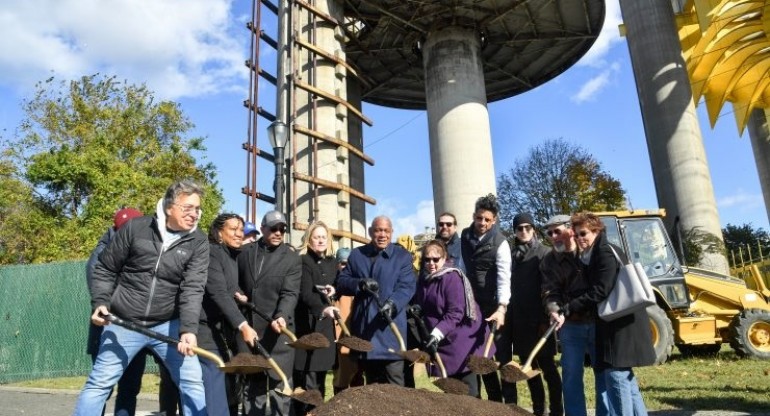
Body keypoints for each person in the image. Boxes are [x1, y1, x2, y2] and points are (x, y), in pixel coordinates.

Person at [74, 180, 209, 416]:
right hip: (124, 321)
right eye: (188, 207)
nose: (194, 214)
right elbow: (105, 268)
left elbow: (193, 287)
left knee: (193, 384)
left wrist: (188, 329)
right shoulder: (136, 228)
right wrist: (101, 303)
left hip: (170, 324)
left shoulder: (198, 241)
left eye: (198, 209)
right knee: (99, 384)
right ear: (169, 207)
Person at [564, 212, 656, 416]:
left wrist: (572, 306)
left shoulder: (604, 252)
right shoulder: (594, 253)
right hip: (615, 319)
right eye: (576, 235)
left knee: (616, 375)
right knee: (623, 375)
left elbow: (601, 289)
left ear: (596, 230)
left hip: (621, 323)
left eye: (584, 233)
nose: (580, 238)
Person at [336, 216, 416, 386]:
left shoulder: (402, 257)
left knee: (395, 385)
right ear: (371, 231)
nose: (382, 235)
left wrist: (393, 304)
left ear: (392, 232)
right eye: (378, 230)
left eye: (386, 231)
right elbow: (342, 282)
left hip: (390, 330)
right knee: (372, 388)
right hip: (365, 333)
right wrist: (360, 283)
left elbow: (406, 287)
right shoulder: (357, 255)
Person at [542, 214, 608, 416]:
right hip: (570, 325)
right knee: (570, 375)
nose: (553, 236)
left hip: (598, 322)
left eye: (557, 231)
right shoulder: (548, 261)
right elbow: (549, 291)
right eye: (550, 233)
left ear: (570, 230)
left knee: (603, 373)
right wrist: (554, 309)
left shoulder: (590, 251)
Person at [237, 210, 301, 416]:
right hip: (251, 334)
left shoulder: (291, 258)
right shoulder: (245, 252)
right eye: (273, 228)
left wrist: (281, 315)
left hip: (277, 335)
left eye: (282, 229)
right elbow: (234, 282)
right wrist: (238, 294)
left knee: (279, 391)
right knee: (252, 392)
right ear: (262, 228)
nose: (278, 233)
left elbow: (290, 293)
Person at [85, 207, 145, 416]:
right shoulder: (101, 255)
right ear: (116, 230)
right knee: (102, 388)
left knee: (129, 388)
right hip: (110, 328)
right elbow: (101, 291)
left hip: (136, 327)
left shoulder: (140, 248)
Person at [413, 240, 490, 396]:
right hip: (442, 341)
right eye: (427, 259)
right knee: (452, 392)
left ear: (444, 258)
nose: (431, 263)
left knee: (468, 390)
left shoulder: (451, 277)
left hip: (463, 339)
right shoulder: (424, 278)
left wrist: (436, 334)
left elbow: (455, 312)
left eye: (436, 259)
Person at [503, 213, 562, 415]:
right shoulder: (511, 256)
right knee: (531, 372)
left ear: (534, 230)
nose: (524, 231)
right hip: (520, 322)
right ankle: (538, 410)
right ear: (515, 232)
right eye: (520, 228)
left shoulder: (544, 252)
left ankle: (557, 410)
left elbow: (550, 287)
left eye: (528, 227)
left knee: (549, 370)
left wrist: (548, 315)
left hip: (541, 321)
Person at [201, 213, 260, 416]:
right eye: (233, 229)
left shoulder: (230, 255)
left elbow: (229, 287)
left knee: (228, 382)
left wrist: (240, 295)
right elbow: (217, 291)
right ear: (218, 233)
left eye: (240, 229)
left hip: (221, 328)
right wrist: (243, 325)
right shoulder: (211, 253)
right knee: (214, 379)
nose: (239, 233)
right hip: (203, 328)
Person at [460, 194, 511, 402]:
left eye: (487, 220)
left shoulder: (501, 243)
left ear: (494, 221)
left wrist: (502, 307)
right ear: (474, 216)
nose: (482, 223)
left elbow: (504, 277)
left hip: (493, 307)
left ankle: (501, 404)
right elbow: (462, 268)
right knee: (474, 355)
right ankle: (475, 401)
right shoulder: (465, 236)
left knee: (495, 356)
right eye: (479, 218)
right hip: (472, 306)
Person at [293, 221, 338, 414]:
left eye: (323, 237)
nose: (320, 240)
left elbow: (339, 284)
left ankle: (319, 412)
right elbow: (305, 294)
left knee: (321, 378)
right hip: (308, 327)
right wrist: (323, 309)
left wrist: (335, 290)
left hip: (325, 330)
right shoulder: (303, 262)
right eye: (316, 237)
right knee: (308, 379)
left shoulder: (333, 262)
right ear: (309, 239)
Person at [331, 247, 365, 394]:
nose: (346, 267)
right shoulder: (333, 286)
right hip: (341, 340)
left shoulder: (359, 285)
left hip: (358, 338)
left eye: (349, 263)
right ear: (337, 264)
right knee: (341, 379)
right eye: (343, 263)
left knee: (358, 379)